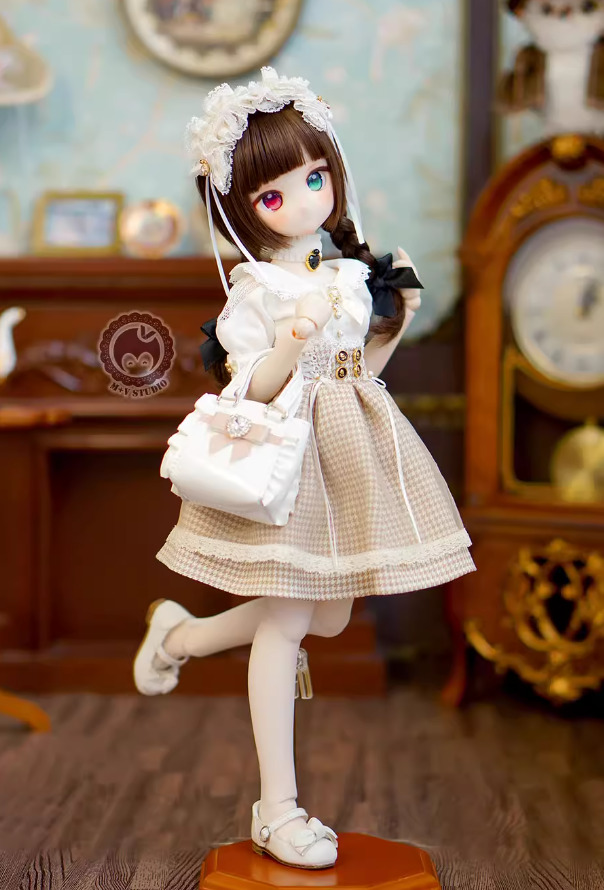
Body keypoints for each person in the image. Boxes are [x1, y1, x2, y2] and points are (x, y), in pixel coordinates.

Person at [134, 67, 475, 870]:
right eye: (275, 195)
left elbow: (359, 371)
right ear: (242, 209)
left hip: (350, 453)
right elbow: (249, 385)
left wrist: (396, 323)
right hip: (290, 458)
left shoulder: (346, 275)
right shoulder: (255, 287)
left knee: (327, 619)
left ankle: (179, 635)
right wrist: (290, 339)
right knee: (289, 623)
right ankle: (277, 810)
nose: (304, 201)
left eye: (315, 178)